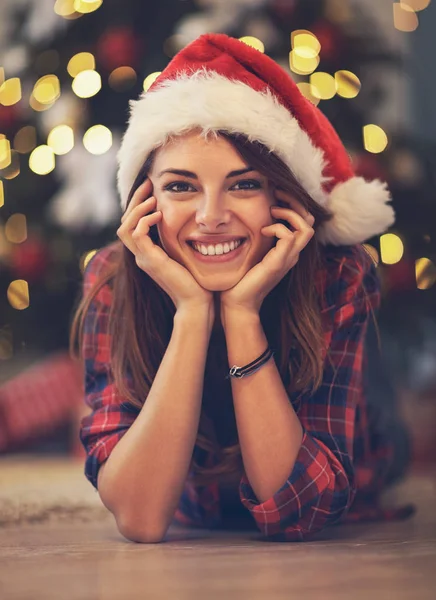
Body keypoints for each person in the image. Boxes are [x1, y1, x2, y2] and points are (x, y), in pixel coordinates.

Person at [71, 33, 414, 543]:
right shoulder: (113, 277)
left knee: (389, 423)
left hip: (363, 439)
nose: (211, 218)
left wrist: (242, 315)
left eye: (244, 184)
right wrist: (191, 312)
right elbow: (140, 518)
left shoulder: (337, 273)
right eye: (181, 186)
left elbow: (300, 509)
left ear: (283, 197)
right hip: (201, 492)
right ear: (145, 201)